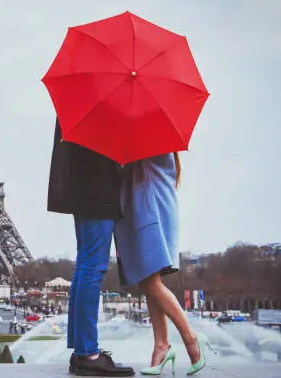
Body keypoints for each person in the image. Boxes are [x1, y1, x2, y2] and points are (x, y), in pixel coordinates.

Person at [47, 120, 134, 376]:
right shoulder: (103, 107)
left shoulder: (81, 101)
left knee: (86, 265)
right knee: (93, 268)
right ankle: (87, 352)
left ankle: (82, 350)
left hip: (85, 188)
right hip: (97, 190)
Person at [115, 153, 214, 375]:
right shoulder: (158, 143)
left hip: (149, 213)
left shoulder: (146, 142)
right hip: (153, 209)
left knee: (151, 284)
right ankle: (161, 346)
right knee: (149, 281)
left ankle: (191, 338)